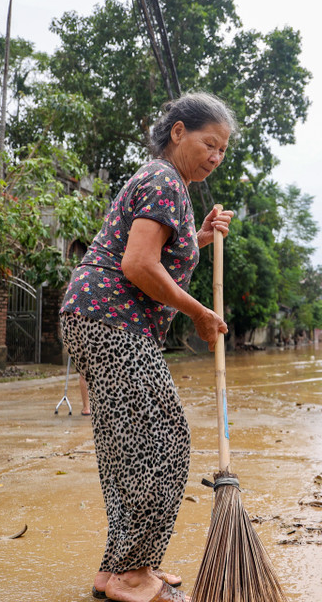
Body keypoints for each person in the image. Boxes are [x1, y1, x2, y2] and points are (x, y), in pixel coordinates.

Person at [60, 92, 237, 602]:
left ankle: (120, 567)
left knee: (129, 446)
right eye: (209, 143)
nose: (215, 157)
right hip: (111, 320)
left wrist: (200, 238)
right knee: (161, 442)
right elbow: (138, 264)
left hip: (100, 318)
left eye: (222, 151)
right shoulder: (164, 180)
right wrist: (199, 312)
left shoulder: (166, 183)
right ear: (178, 132)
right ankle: (133, 574)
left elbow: (157, 251)